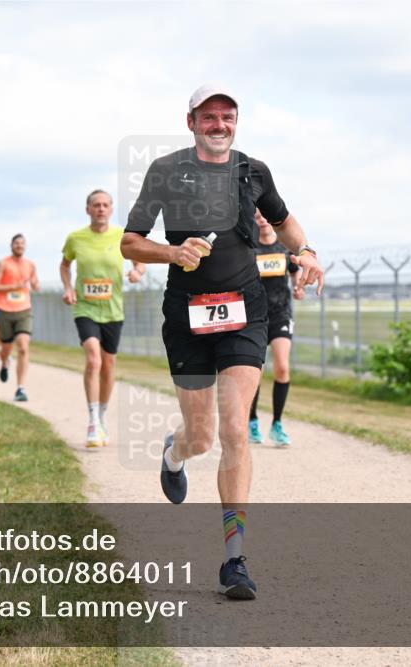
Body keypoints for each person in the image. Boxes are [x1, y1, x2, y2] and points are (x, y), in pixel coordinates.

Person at [121, 84, 324, 600]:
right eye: (208, 116)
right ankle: (175, 454)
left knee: (235, 427)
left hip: (245, 313)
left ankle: (235, 561)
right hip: (186, 315)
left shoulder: (255, 171)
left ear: (237, 121)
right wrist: (172, 254)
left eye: (227, 115)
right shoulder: (166, 170)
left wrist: (309, 252)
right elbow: (130, 242)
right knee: (203, 435)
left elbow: (285, 222)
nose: (218, 124)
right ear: (190, 121)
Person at [61, 189, 147, 447]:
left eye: (105, 205)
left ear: (111, 209)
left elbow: (139, 262)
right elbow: (65, 265)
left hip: (113, 310)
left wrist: (138, 273)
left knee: (109, 365)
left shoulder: (121, 236)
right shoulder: (75, 238)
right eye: (96, 205)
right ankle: (92, 422)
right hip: (85, 308)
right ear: (87, 209)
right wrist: (67, 288)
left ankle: (102, 416)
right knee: (93, 358)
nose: (100, 209)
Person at [248, 210, 305, 447]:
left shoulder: (284, 247)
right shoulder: (249, 247)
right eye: (256, 214)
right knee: (254, 373)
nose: (261, 218)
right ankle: (252, 422)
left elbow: (295, 273)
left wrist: (298, 287)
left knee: (282, 367)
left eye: (264, 214)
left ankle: (277, 424)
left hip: (281, 313)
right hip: (255, 316)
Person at [0, 235, 39, 401]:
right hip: (4, 310)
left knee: (23, 346)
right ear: (11, 245)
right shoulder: (3, 263)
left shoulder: (30, 265)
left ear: (25, 246)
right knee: (6, 348)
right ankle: (4, 362)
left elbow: (35, 285)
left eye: (22, 243)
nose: (19, 245)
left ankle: (20, 388)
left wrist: (34, 284)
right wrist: (12, 286)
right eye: (16, 243)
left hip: (24, 309)